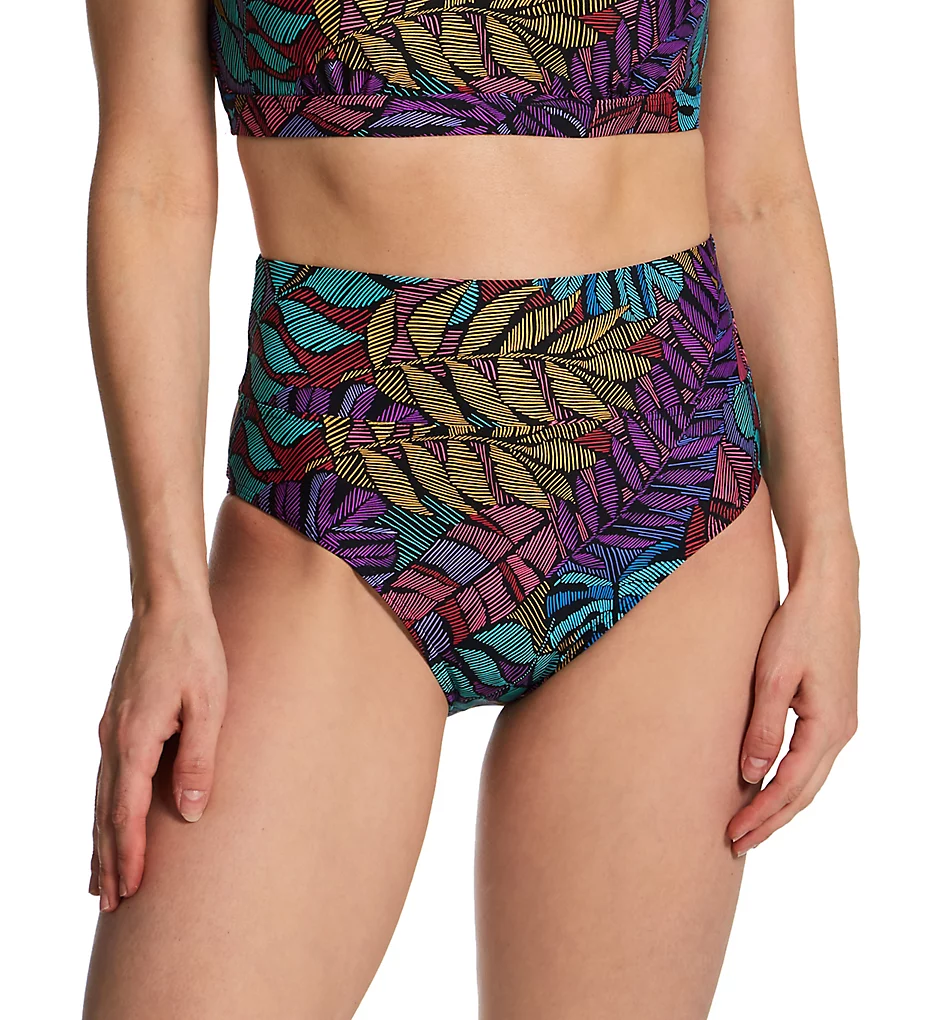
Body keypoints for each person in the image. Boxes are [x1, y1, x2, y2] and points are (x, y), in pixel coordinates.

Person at [82, 0, 859, 1015]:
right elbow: (151, 187)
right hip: (344, 489)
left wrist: (828, 556)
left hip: (666, 491)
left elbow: (760, 188)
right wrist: (165, 595)